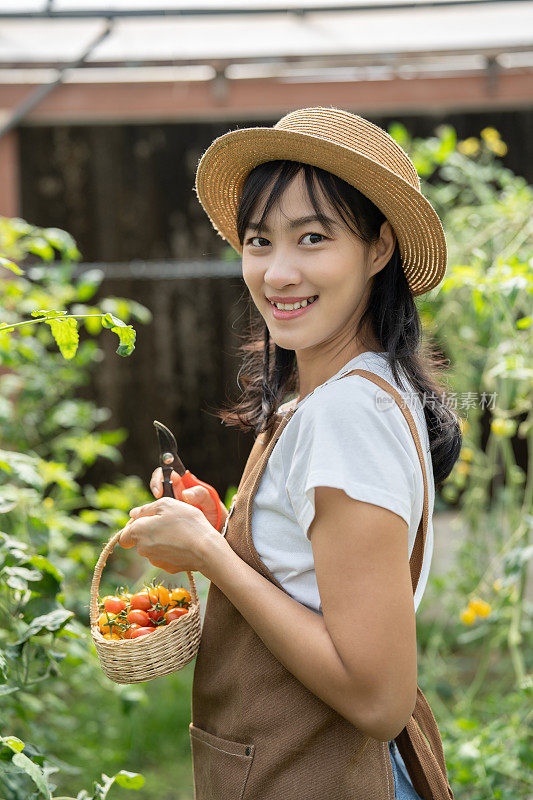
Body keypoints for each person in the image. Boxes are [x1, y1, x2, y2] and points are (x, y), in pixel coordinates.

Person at [119, 107, 459, 800]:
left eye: (312, 237)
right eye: (258, 240)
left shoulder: (343, 417)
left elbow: (378, 700)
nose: (277, 272)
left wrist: (212, 558)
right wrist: (214, 527)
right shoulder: (351, 387)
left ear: (378, 249)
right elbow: (313, 572)